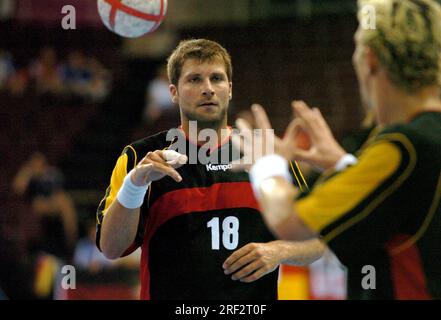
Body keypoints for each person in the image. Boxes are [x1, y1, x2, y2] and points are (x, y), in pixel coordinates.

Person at [237, 0, 441, 299]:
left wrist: (268, 166)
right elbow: (401, 209)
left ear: (370, 61)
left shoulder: (404, 147)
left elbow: (290, 221)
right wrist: (344, 165)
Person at [96, 39, 325, 300]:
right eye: (194, 79)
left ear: (229, 89)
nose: (208, 89)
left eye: (216, 78)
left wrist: (279, 251)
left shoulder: (267, 153)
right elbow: (111, 249)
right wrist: (135, 185)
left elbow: (317, 241)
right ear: (174, 92)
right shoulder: (139, 157)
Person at [12, 152, 78, 260]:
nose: (38, 165)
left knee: (65, 202)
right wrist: (28, 171)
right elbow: (17, 188)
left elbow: (58, 191)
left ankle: (71, 239)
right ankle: (70, 242)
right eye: (35, 163)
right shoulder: (29, 175)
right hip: (35, 204)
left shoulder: (51, 174)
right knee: (43, 203)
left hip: (52, 202)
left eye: (40, 162)